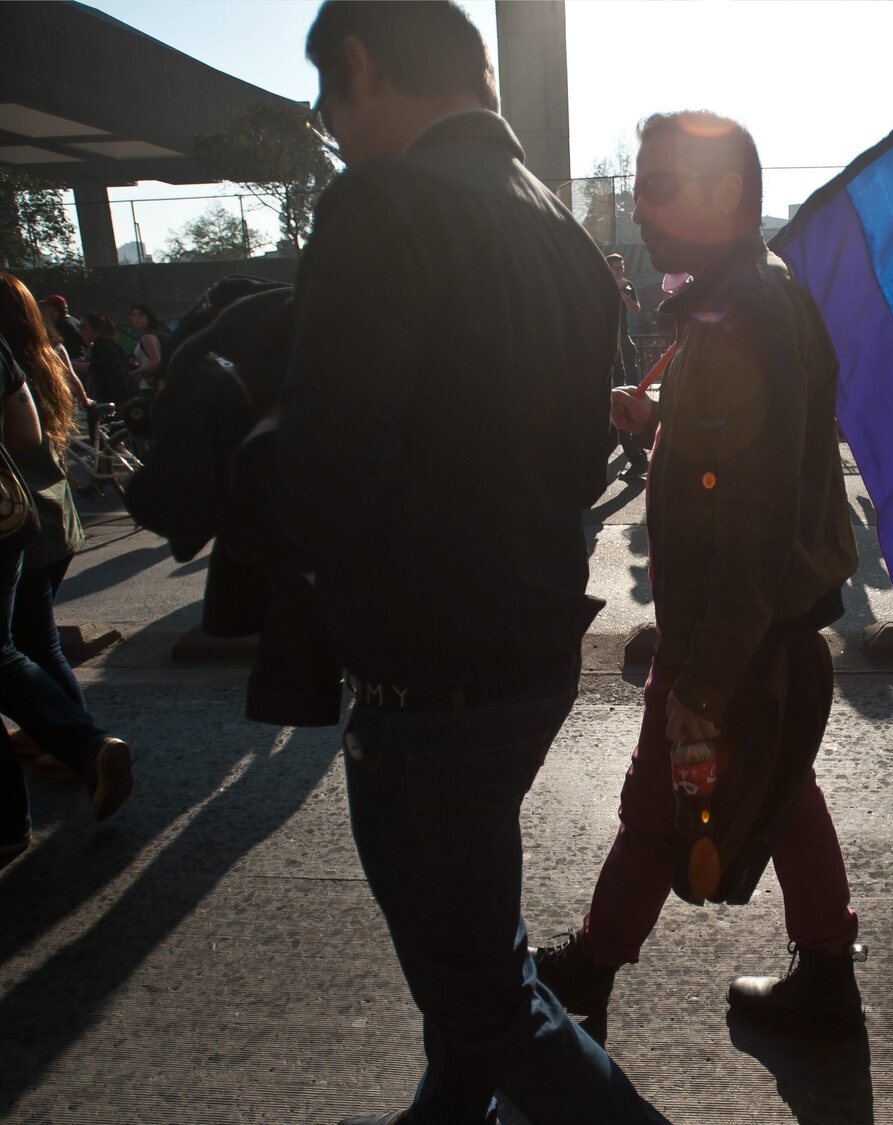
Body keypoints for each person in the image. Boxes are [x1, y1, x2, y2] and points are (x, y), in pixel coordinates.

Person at [277, 5, 668, 1123]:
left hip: (424, 677)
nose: (332, 128)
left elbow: (326, 471)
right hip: (528, 657)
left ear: (357, 64)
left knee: (486, 993)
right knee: (470, 964)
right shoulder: (563, 235)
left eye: (327, 99)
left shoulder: (385, 202)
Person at [532, 111, 864, 1043]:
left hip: (734, 627)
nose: (637, 208)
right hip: (762, 625)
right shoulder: (752, 297)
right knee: (783, 784)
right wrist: (662, 421)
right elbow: (738, 450)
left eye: (653, 185)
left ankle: (590, 973)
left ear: (723, 196)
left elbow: (752, 517)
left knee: (658, 797)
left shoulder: (743, 313)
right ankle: (828, 974)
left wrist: (706, 675)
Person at [0, 296, 132, 871]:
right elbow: (32, 435)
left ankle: (72, 745)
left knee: (12, 645)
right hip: (35, 516)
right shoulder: (41, 354)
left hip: (29, 522)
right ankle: (69, 744)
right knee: (30, 639)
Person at [605, 252, 648, 478]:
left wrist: (625, 296)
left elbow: (637, 310)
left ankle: (637, 456)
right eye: (616, 268)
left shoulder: (627, 286)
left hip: (624, 348)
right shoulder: (600, 285)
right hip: (607, 349)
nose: (620, 271)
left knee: (624, 398)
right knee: (611, 402)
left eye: (622, 267)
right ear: (607, 269)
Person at [76, 314, 133, 406]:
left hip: (110, 397)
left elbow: (99, 367)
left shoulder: (100, 345)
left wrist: (71, 364)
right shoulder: (110, 344)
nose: (80, 331)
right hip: (120, 396)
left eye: (83, 327)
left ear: (96, 329)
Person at [128, 304, 167, 391]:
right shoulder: (150, 335)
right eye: (133, 315)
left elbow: (156, 361)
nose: (136, 318)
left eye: (141, 315)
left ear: (149, 317)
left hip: (150, 385)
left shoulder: (147, 337)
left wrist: (135, 372)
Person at [37, 294, 85, 363]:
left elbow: (57, 346)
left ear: (52, 308)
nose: (45, 309)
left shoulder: (61, 324)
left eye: (47, 306)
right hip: (81, 359)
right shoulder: (73, 320)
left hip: (72, 361)